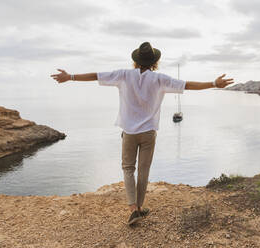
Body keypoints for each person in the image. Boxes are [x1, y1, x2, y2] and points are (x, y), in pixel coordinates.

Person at [50, 42, 234, 225]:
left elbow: (95, 75)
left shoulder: (123, 75)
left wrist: (70, 77)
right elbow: (187, 85)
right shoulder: (160, 79)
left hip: (129, 132)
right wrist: (213, 83)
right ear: (154, 62)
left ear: (136, 61)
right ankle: (138, 208)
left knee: (128, 169)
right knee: (143, 171)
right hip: (148, 133)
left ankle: (133, 209)